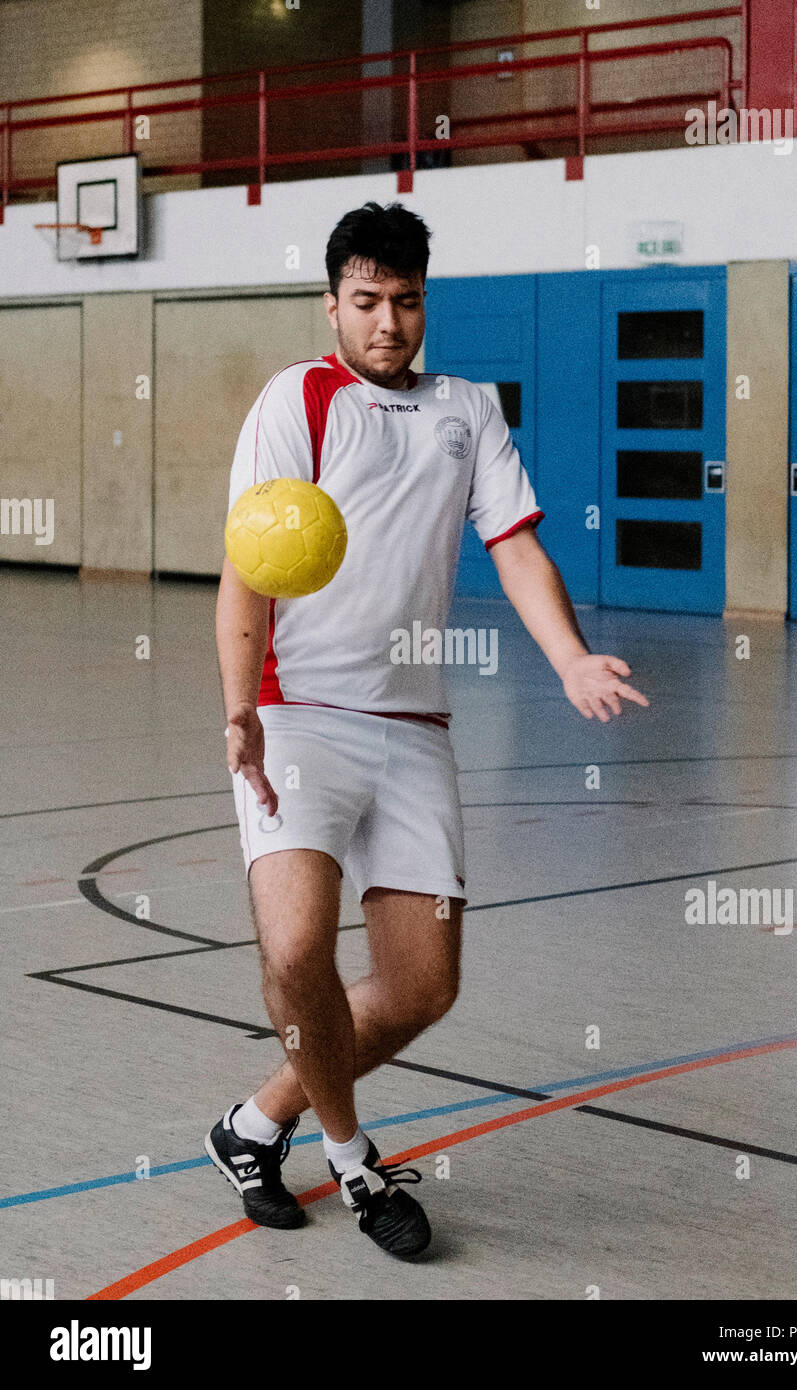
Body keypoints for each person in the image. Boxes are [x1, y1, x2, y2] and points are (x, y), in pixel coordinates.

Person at [206, 200, 649, 1261]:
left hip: (410, 722)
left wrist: (569, 655)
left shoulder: (467, 409)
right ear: (332, 304)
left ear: (423, 303)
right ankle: (354, 1161)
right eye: (365, 301)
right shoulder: (294, 401)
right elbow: (243, 577)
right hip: (297, 711)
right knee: (297, 945)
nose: (387, 322)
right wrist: (237, 709)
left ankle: (254, 1123)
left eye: (404, 302)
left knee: (422, 987)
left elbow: (515, 546)